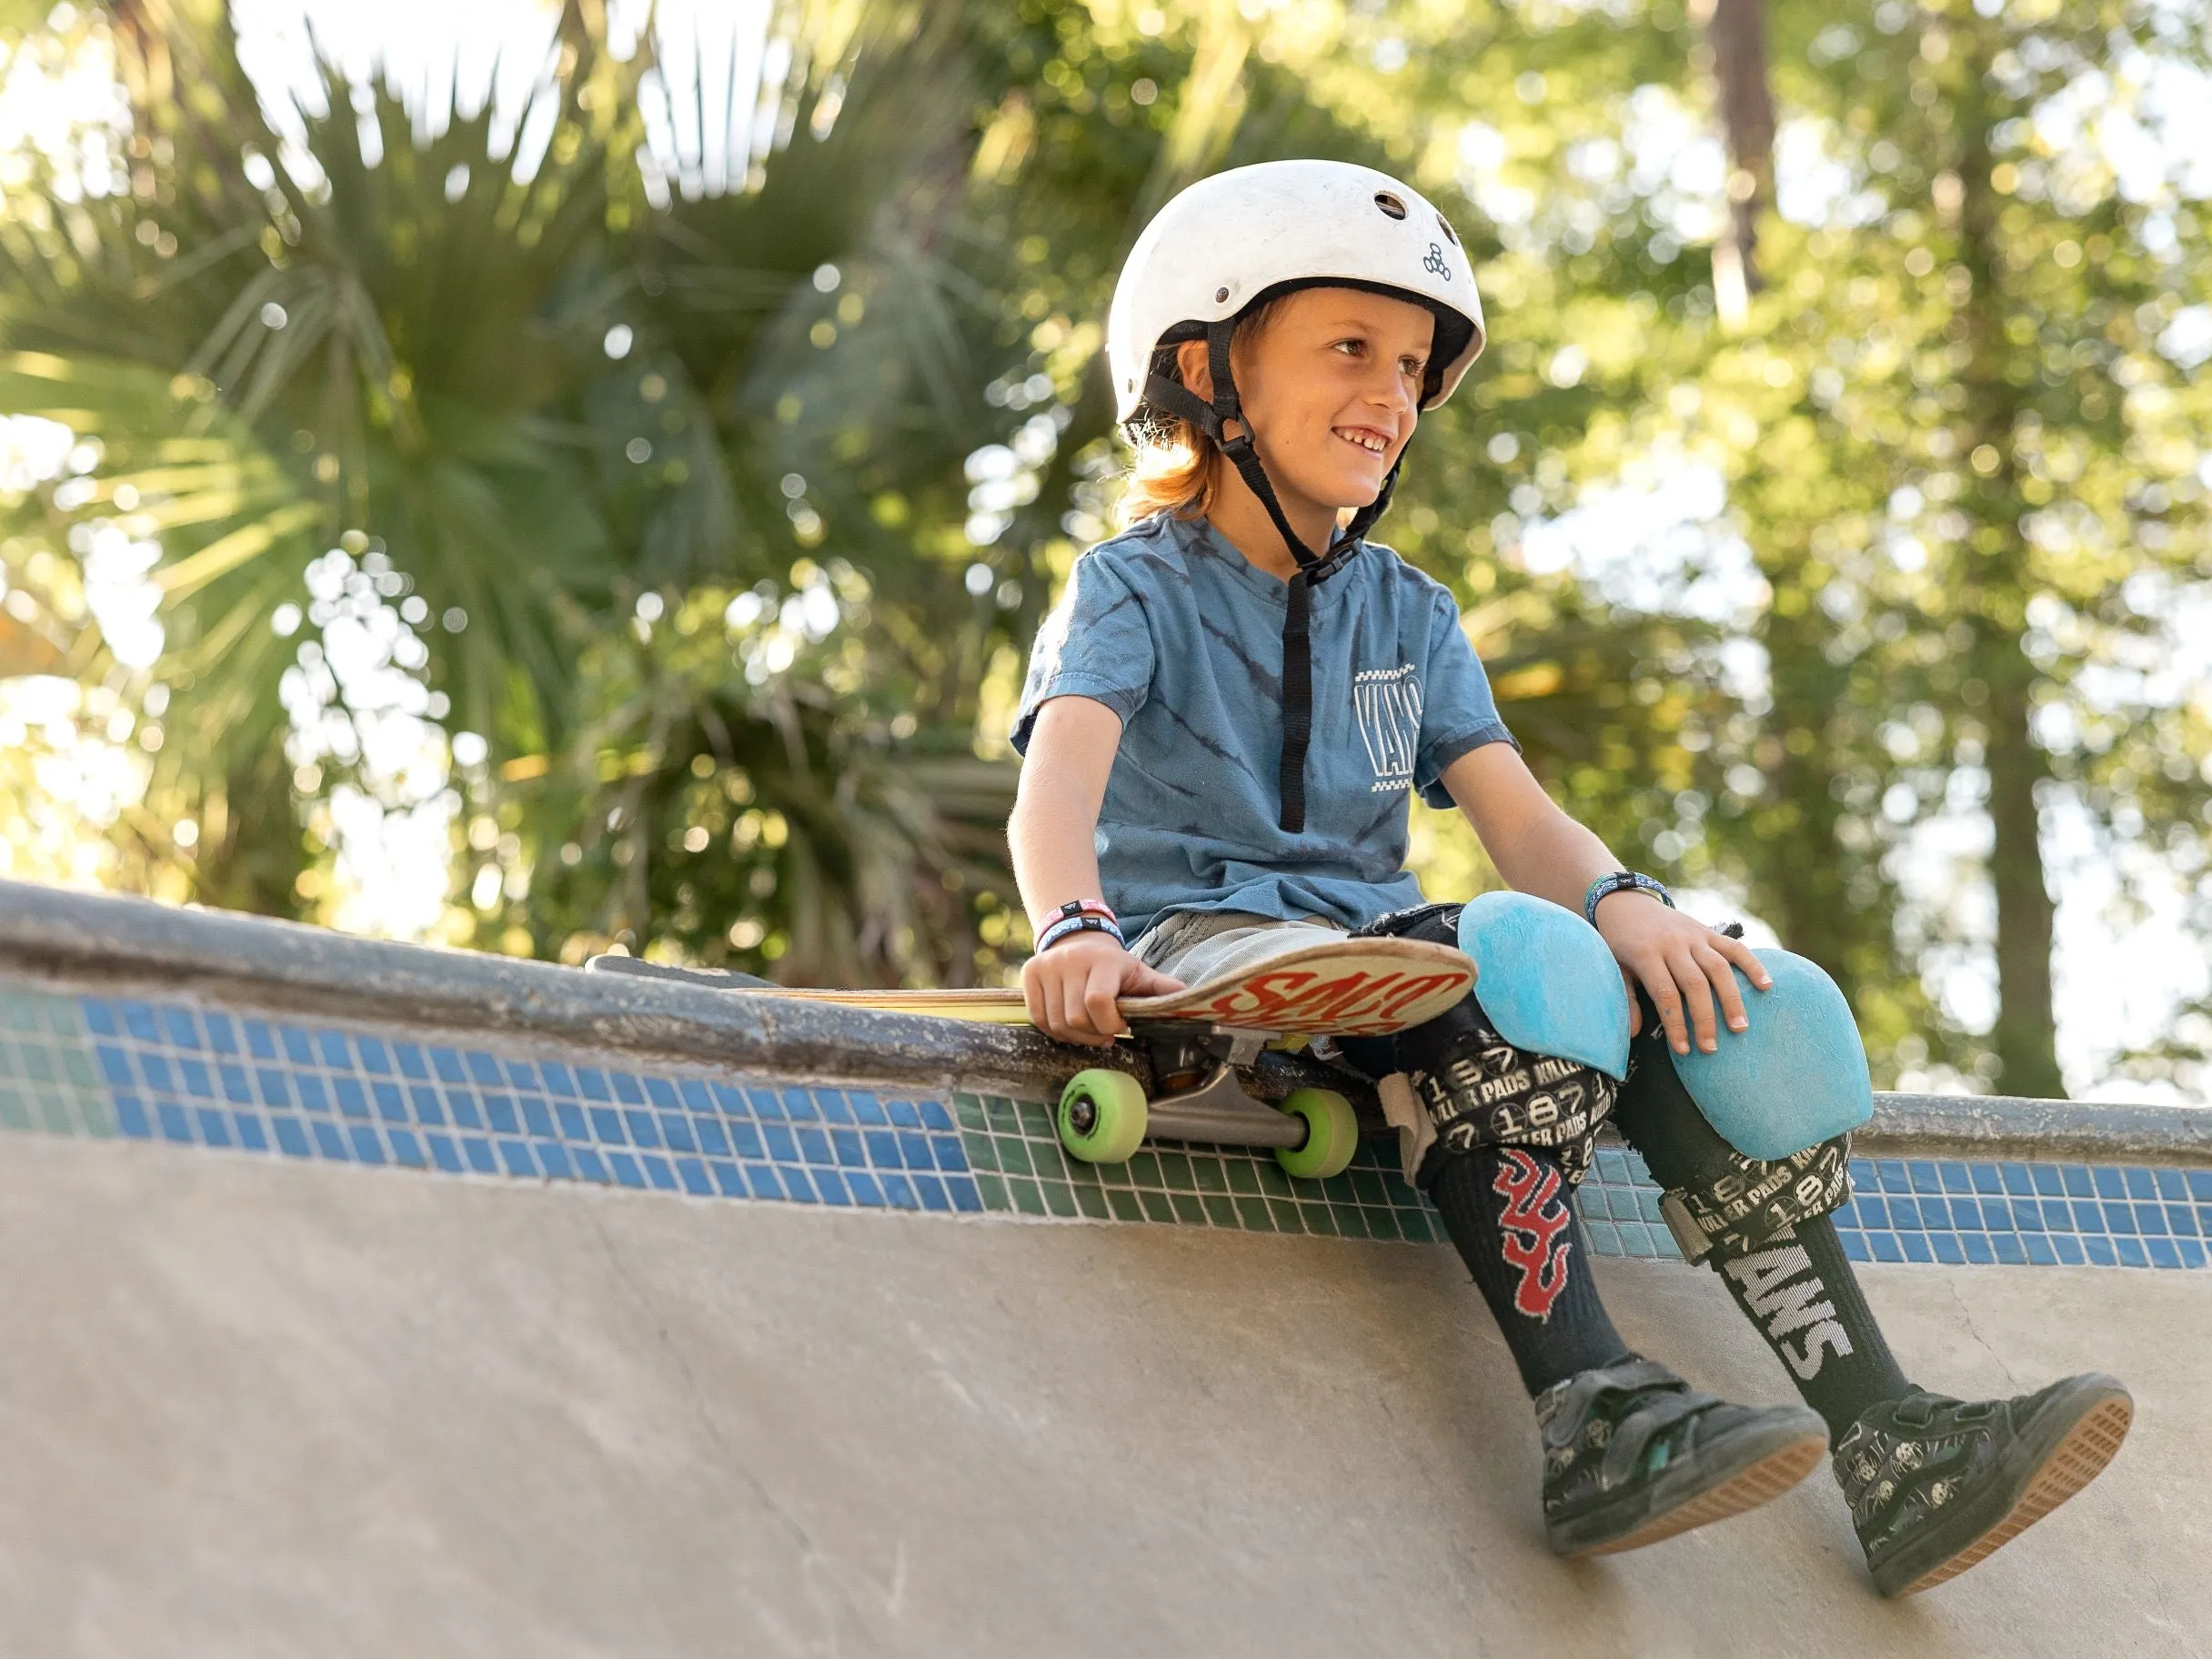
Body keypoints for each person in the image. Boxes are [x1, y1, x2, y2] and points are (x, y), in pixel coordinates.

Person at [1006, 158, 2131, 1594]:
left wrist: (1636, 911)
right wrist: (1076, 930)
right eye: (1349, 347)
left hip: (1387, 960)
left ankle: (1892, 1441)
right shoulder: (1132, 588)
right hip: (1206, 952)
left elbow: (1519, 819)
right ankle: (1592, 1411)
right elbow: (1059, 789)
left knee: (1721, 1002)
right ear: (1201, 367)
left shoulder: (1407, 610)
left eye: (1412, 365)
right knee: (1515, 963)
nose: (1391, 393)